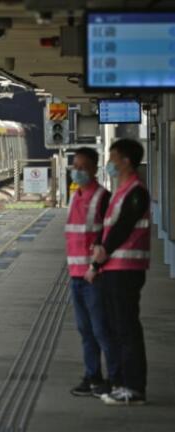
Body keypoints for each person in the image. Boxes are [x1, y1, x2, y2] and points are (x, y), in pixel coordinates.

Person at [88, 138, 150, 406]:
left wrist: (98, 259)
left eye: (113, 159)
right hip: (115, 268)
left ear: (126, 161)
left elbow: (122, 228)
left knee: (127, 328)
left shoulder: (136, 192)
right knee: (117, 327)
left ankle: (133, 388)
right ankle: (121, 383)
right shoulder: (122, 190)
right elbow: (109, 228)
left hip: (127, 268)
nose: (109, 164)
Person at [66, 147, 119, 398]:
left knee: (102, 330)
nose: (77, 172)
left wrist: (96, 267)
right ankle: (92, 376)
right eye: (75, 167)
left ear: (94, 169)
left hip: (95, 276)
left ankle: (116, 379)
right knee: (85, 331)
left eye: (82, 167)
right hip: (75, 276)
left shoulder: (102, 197)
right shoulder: (75, 196)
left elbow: (110, 237)